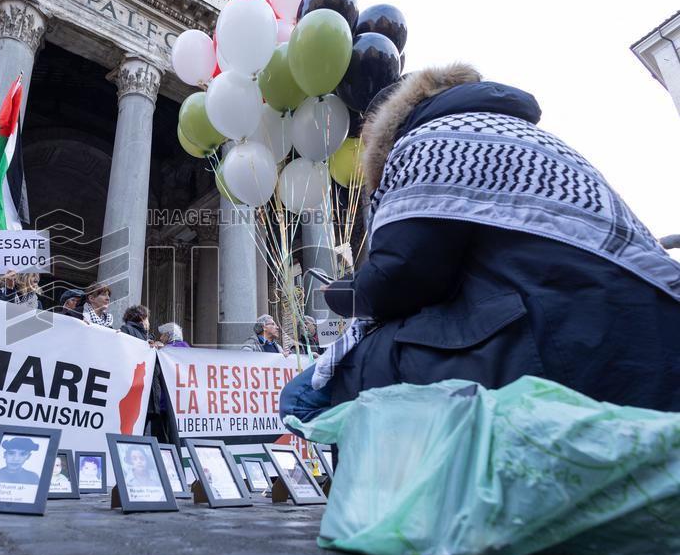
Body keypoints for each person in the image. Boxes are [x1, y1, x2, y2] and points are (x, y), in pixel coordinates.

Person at [279, 63, 680, 433]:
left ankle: (416, 501)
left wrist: (345, 293)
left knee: (303, 397)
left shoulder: (429, 140)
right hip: (650, 344)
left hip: (559, 342)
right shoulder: (532, 139)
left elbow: (403, 277)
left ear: (384, 124)